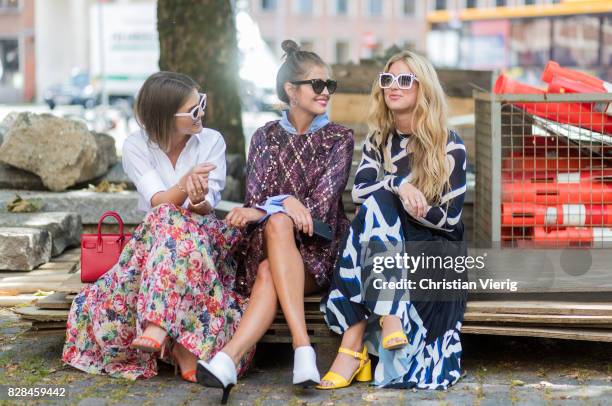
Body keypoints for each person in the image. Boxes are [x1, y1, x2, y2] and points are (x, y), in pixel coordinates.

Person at [62, 72, 255, 384]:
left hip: (205, 241)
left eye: (201, 103)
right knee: (167, 217)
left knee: (177, 220)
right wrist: (183, 186)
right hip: (155, 241)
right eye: (194, 110)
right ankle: (183, 347)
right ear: (166, 116)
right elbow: (158, 201)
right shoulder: (136, 145)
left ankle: (159, 324)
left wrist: (197, 196)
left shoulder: (211, 140)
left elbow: (205, 207)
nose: (202, 113)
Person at [196, 40, 354, 403]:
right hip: (265, 246)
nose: (325, 92)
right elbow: (253, 201)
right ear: (291, 90)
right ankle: (303, 350)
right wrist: (286, 205)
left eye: (329, 85)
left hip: (318, 252)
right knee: (277, 230)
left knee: (275, 242)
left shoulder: (339, 138)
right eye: (317, 84)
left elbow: (323, 207)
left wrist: (278, 204)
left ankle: (228, 359)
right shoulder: (265, 136)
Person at [318, 50, 468, 390]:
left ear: (423, 88)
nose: (393, 87)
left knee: (377, 208)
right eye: (387, 80)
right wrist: (398, 186)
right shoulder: (379, 140)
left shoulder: (450, 145)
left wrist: (409, 207)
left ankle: (352, 347)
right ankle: (389, 316)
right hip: (387, 243)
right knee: (379, 202)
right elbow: (358, 192)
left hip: (433, 246)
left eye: (404, 80)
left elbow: (448, 220)